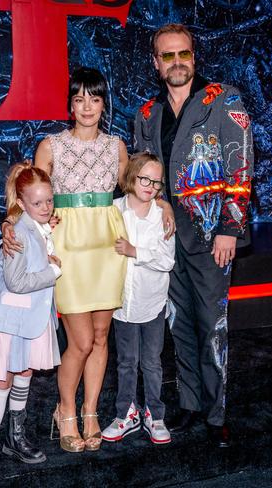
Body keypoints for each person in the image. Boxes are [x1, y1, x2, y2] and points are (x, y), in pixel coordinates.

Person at [2, 67, 175, 453]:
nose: (87, 107)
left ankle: (91, 410)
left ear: (102, 104)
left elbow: (138, 189)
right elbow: (30, 197)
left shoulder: (116, 147)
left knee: (100, 337)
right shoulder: (50, 146)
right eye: (79, 99)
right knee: (79, 341)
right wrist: (9, 223)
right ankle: (65, 410)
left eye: (94, 99)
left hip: (107, 246)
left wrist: (163, 203)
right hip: (69, 248)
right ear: (70, 104)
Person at [133, 24, 254, 448]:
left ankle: (216, 412)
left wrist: (230, 229)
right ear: (156, 63)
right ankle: (188, 403)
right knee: (178, 325)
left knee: (212, 327)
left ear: (194, 57)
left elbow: (240, 167)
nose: (177, 62)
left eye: (184, 53)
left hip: (210, 238)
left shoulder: (223, 99)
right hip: (166, 240)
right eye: (168, 56)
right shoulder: (147, 114)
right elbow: (140, 175)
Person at [0, 163, 62, 486]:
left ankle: (15, 437)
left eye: (49, 200)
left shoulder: (37, 223)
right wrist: (53, 271)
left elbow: (44, 230)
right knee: (2, 381)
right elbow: (16, 282)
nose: (46, 207)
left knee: (25, 374)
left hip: (34, 317)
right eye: (38, 203)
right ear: (21, 202)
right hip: (12, 320)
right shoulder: (17, 232)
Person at [100, 152, 175, 445]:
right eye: (145, 178)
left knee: (152, 362)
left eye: (156, 183)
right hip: (121, 304)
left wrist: (135, 252)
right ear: (132, 176)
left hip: (153, 302)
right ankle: (125, 414)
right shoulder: (115, 210)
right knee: (126, 362)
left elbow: (167, 261)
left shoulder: (162, 216)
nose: (150, 186)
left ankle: (155, 415)